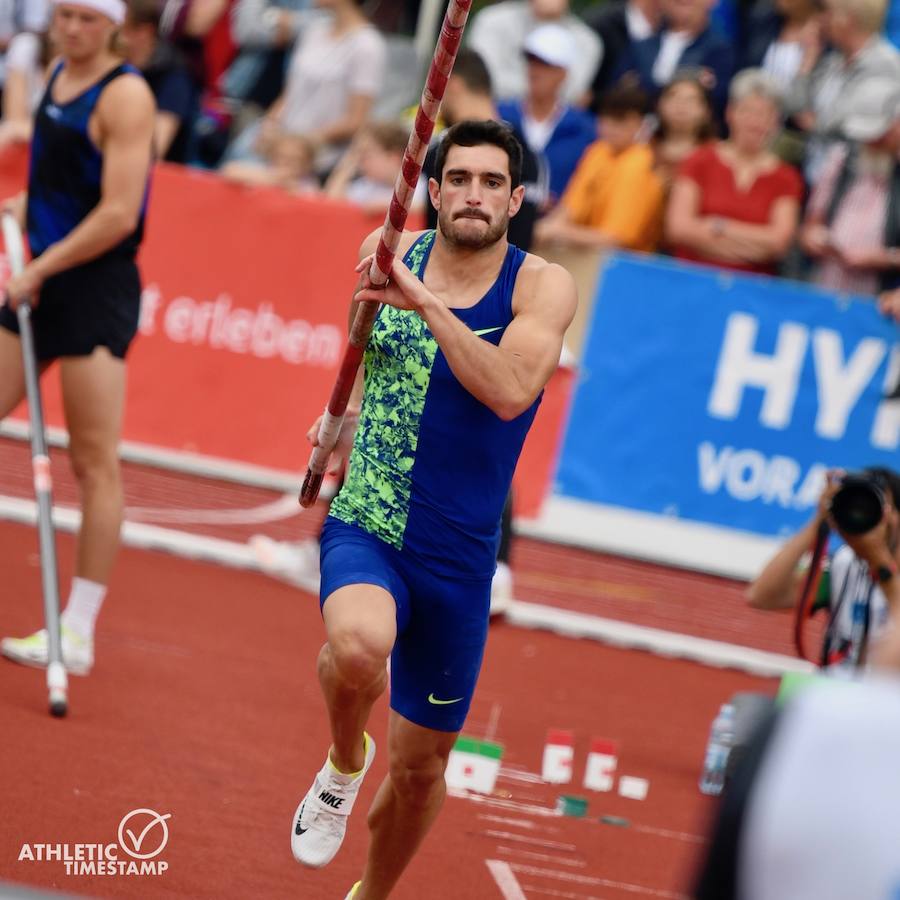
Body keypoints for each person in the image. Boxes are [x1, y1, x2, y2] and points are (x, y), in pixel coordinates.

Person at [288, 119, 577, 900]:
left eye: (491, 182)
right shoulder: (385, 252)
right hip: (370, 518)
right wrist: (336, 423)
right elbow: (361, 350)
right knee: (356, 648)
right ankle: (345, 764)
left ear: (515, 199)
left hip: (458, 559)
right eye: (459, 180)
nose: (473, 195)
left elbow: (511, 390)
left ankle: (372, 894)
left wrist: (421, 302)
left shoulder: (540, 285)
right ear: (435, 190)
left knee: (420, 774)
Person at [0, 0, 156, 675]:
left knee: (93, 461)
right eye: (63, 14)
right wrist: (26, 209)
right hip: (41, 276)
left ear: (113, 25)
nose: (71, 28)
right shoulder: (56, 70)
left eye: (87, 18)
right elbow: (59, 179)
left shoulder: (126, 95)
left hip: (92, 288)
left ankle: (79, 629)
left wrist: (38, 265)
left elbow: (119, 212)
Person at [747, 467, 900, 671]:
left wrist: (879, 561)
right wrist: (820, 521)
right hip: (835, 694)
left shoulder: (872, 562)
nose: (867, 514)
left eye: (880, 508)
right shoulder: (845, 564)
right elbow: (762, 596)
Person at [666, 68, 803, 276]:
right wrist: (752, 245)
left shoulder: (786, 177)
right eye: (748, 112)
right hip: (690, 278)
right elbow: (679, 228)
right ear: (730, 113)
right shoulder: (700, 159)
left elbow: (778, 242)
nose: (755, 122)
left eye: (765, 114)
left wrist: (717, 226)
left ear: (776, 122)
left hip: (751, 291)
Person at [533, 83, 664, 253]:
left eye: (620, 121)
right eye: (606, 119)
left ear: (639, 124)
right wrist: (545, 228)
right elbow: (570, 208)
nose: (610, 128)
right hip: (583, 253)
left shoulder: (641, 163)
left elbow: (616, 239)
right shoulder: (598, 151)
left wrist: (557, 231)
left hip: (624, 264)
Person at [800, 76, 900, 297]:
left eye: (877, 134)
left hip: (878, 298)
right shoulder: (842, 159)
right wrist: (813, 236)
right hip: (824, 284)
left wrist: (886, 257)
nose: (869, 141)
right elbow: (812, 220)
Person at [496, 23, 598, 208]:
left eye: (545, 64)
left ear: (563, 73)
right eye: (531, 61)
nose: (535, 71)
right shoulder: (499, 115)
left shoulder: (586, 130)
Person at [466, 0, 603, 105]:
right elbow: (481, 81)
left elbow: (571, 94)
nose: (536, 71)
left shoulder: (588, 40)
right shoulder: (491, 20)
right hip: (492, 119)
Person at [118, 0, 198, 163]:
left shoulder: (174, 73)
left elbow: (156, 148)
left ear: (144, 32)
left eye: (120, 30)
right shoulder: (113, 64)